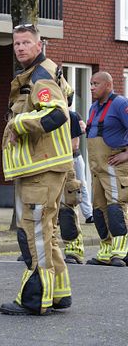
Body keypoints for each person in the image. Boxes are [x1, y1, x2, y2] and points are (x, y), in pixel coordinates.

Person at [0, 23, 73, 316]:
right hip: (45, 166)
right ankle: (59, 293)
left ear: (39, 45)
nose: (19, 48)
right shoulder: (39, 73)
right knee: (48, 231)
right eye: (16, 43)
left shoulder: (41, 76)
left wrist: (18, 123)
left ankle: (35, 298)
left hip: (41, 168)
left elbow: (58, 114)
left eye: (25, 43)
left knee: (35, 233)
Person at [84, 71, 128, 266]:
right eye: (91, 83)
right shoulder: (94, 107)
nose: (92, 87)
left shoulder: (120, 103)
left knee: (115, 207)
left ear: (108, 85)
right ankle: (106, 250)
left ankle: (121, 252)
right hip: (97, 168)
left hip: (114, 167)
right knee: (99, 209)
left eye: (96, 83)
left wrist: (126, 154)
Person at [59, 108, 86, 265]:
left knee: (68, 210)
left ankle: (74, 251)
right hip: (50, 169)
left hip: (68, 166)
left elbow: (74, 144)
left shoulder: (72, 116)